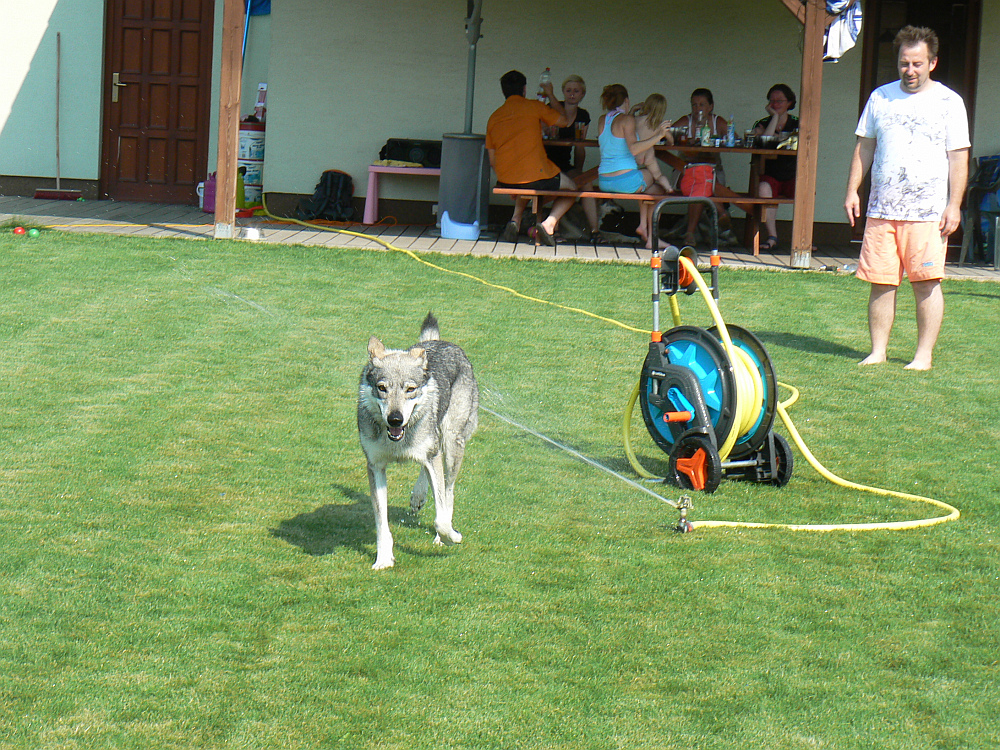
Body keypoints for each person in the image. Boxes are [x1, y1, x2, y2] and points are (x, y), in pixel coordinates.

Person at [845, 26, 969, 371]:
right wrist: (852, 189)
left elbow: (959, 156)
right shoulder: (880, 98)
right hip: (882, 209)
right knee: (881, 283)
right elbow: (864, 146)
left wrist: (954, 204)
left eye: (917, 63)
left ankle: (923, 356)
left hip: (927, 213)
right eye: (904, 63)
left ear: (932, 63)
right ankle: (878, 352)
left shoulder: (949, 102)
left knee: (926, 285)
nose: (909, 71)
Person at [486, 70, 591, 246]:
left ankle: (516, 219)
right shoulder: (534, 106)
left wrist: (505, 180)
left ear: (503, 91)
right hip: (535, 173)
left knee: (526, 182)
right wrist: (550, 94)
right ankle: (549, 223)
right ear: (524, 89)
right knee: (572, 187)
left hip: (506, 179)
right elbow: (565, 121)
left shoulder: (494, 117)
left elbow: (492, 160)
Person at [596, 84, 672, 249]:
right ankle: (651, 236)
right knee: (657, 190)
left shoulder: (603, 119)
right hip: (625, 181)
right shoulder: (627, 120)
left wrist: (632, 113)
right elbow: (634, 148)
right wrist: (658, 135)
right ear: (626, 100)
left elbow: (617, 132)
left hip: (604, 180)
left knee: (650, 192)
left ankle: (645, 230)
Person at [671, 88, 734, 247]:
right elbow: (667, 134)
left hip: (712, 172)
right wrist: (680, 139)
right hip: (685, 171)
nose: (697, 109)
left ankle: (690, 233)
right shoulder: (686, 121)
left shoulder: (717, 122)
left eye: (701, 104)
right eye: (694, 105)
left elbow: (734, 140)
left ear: (710, 106)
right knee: (701, 181)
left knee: (700, 184)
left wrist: (721, 141)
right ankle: (721, 211)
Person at [752, 84, 799, 251]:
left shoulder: (797, 123)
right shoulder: (762, 122)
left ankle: (803, 238)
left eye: (780, 101)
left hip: (793, 173)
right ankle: (772, 237)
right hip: (770, 173)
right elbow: (765, 141)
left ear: (789, 102)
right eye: (772, 101)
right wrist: (774, 118)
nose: (775, 104)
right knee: (764, 189)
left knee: (806, 192)